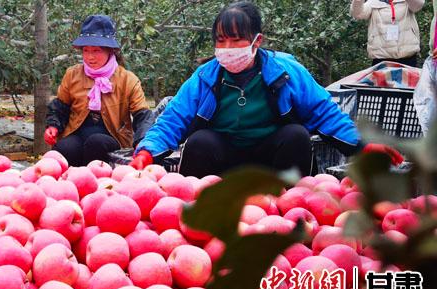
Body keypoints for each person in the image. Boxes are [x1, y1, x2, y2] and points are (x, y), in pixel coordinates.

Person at [131, 1, 403, 177]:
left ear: (256, 41)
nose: (226, 49)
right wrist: (145, 152)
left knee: (296, 135)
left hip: (271, 160)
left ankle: (291, 206)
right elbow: (173, 119)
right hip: (225, 158)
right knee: (200, 142)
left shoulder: (286, 73)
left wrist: (363, 146)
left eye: (236, 40)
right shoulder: (206, 77)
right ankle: (200, 207)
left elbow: (325, 113)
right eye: (221, 40)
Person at [44, 15, 154, 167]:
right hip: (76, 133)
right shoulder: (73, 74)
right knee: (64, 148)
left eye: (96, 50)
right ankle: (69, 185)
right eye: (86, 50)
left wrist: (142, 144)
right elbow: (60, 106)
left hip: (111, 138)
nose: (90, 57)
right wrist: (53, 126)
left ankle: (97, 185)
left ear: (111, 51)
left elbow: (143, 116)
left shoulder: (128, 79)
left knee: (96, 143)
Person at [350, 0, 424, 67]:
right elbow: (357, 14)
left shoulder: (406, 2)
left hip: (408, 57)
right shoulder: (373, 2)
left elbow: (417, 6)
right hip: (381, 60)